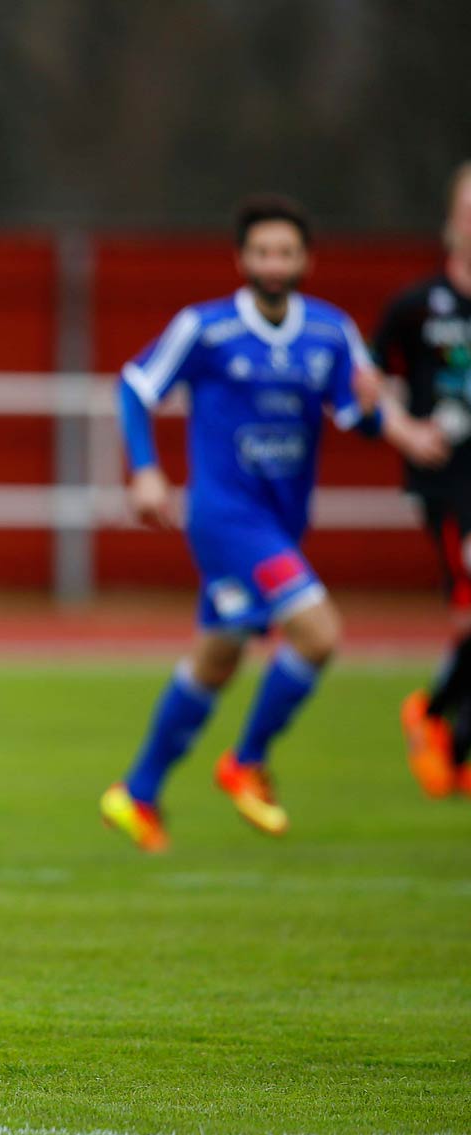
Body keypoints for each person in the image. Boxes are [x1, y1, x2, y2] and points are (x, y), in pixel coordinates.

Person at [100, 195, 446, 853]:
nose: (274, 264)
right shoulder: (205, 329)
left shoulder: (329, 331)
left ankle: (136, 794)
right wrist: (145, 471)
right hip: (227, 517)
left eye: (286, 252)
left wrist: (403, 431)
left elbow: (360, 412)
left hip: (282, 521)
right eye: (262, 252)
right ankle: (246, 761)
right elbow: (134, 386)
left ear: (305, 260)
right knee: (318, 634)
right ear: (242, 259)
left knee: (218, 656)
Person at [376, 163, 471, 796]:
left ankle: (449, 736)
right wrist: (405, 432)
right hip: (450, 483)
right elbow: (369, 381)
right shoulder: (417, 306)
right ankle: (437, 720)